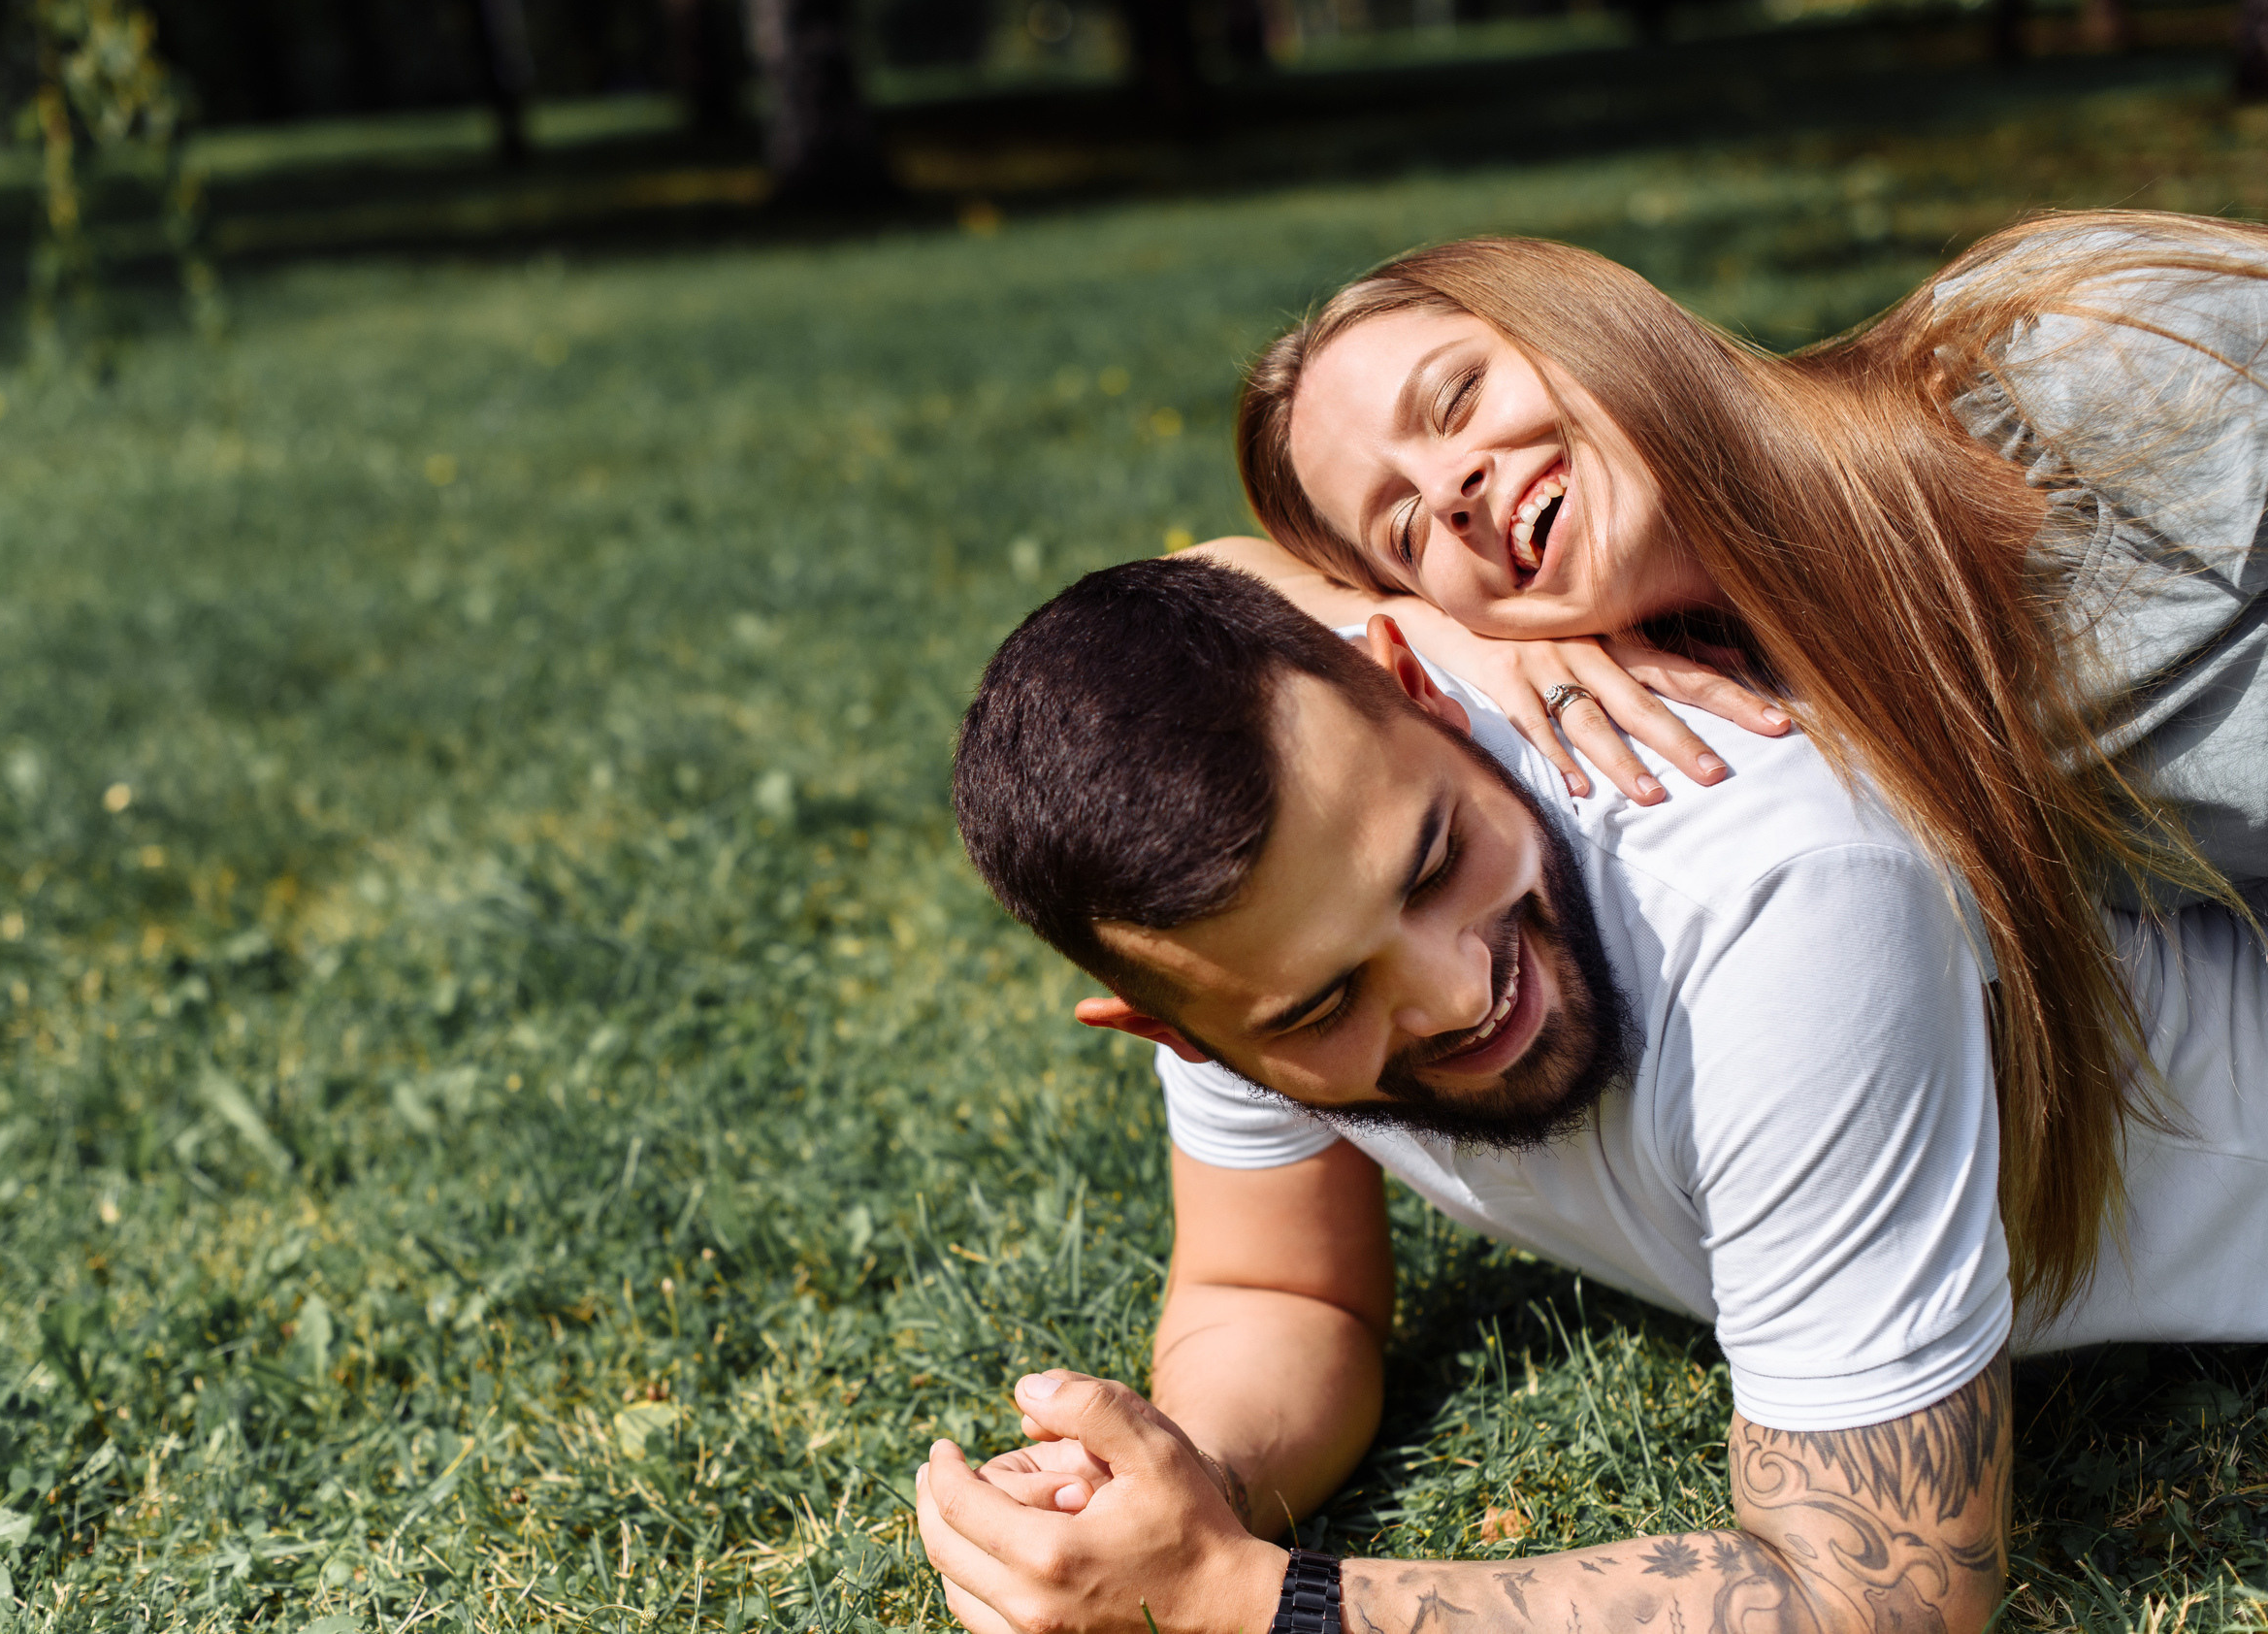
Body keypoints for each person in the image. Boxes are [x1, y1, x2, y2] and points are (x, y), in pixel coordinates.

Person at [921, 557, 2265, 1634]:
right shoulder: (1254, 922)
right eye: (1327, 1007)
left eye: (1437, 859)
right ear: (1180, 1033)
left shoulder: (1783, 897)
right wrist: (1180, 1488)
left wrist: (1257, 1601)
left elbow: (1887, 1593)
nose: (1455, 994)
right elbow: (1279, 1294)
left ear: (1424, 689)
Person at [1212, 208, 2268, 1324]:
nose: (1455, 488)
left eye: (1457, 397)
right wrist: (1431, 628)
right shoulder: (1769, 705)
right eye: (1405, 527)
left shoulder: (2077, 365)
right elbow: (1196, 584)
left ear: (1577, 315)